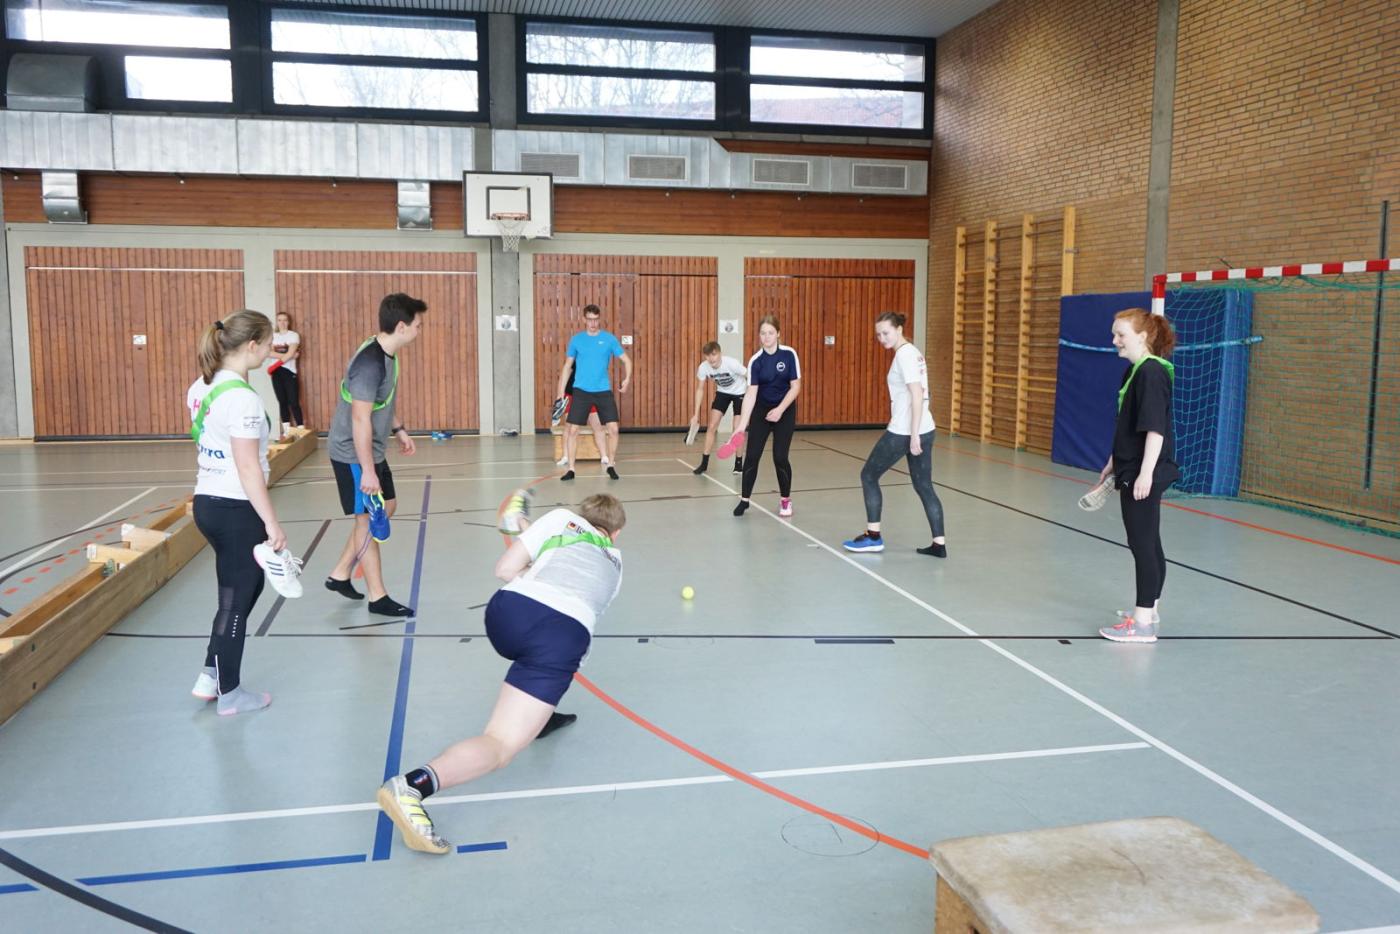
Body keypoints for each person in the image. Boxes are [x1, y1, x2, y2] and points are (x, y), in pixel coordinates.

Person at [377, 493, 626, 854]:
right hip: (560, 637)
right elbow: (582, 606)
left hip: (507, 615)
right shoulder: (616, 564)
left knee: (532, 650)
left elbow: (505, 570)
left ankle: (542, 718)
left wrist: (527, 538)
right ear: (616, 534)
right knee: (501, 744)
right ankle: (411, 787)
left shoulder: (560, 519)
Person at [186, 310, 286, 716]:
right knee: (237, 597)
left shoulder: (201, 386)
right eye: (269, 344)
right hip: (235, 507)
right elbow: (247, 467)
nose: (271, 351)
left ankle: (210, 674)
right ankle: (230, 693)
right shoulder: (243, 399)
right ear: (252, 345)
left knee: (240, 590)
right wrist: (271, 522)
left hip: (208, 502)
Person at [324, 293, 425, 617]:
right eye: (418, 325)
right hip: (352, 453)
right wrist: (367, 471)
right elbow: (359, 418)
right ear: (401, 327)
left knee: (387, 506)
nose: (420, 330)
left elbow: (383, 401)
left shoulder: (387, 354)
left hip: (372, 449)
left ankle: (341, 572)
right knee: (367, 519)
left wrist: (399, 429)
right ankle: (377, 596)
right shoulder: (370, 364)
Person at [1098, 308, 1178, 644]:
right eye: (1114, 334)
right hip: (1132, 465)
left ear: (1143, 337)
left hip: (1146, 470)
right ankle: (1151, 608)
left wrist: (1145, 474)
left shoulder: (1151, 373)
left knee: (1141, 543)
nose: (1114, 340)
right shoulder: (1135, 371)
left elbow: (1154, 429)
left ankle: (1142, 622)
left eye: (1121, 335)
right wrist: (1113, 461)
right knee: (1149, 541)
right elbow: (1128, 425)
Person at [842, 312, 947, 557]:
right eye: (878, 334)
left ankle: (873, 537)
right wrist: (919, 432)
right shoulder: (913, 353)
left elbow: (917, 394)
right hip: (926, 428)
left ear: (899, 329)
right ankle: (939, 544)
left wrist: (913, 435)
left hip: (905, 430)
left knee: (868, 475)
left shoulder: (904, 356)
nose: (882, 338)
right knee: (924, 486)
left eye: (886, 332)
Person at [730, 316, 800, 517]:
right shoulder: (756, 361)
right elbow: (751, 394)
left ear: (778, 333)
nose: (767, 337)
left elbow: (796, 387)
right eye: (763, 333)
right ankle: (744, 500)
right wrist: (741, 426)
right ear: (759, 336)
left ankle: (785, 500)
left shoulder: (789, 354)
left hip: (785, 410)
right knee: (752, 456)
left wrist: (780, 409)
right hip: (761, 411)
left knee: (780, 457)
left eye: (770, 332)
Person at [555, 304, 631, 481]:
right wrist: (560, 392)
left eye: (596, 320)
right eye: (589, 319)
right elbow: (567, 366)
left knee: (613, 429)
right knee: (573, 430)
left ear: (599, 319)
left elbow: (626, 360)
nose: (593, 323)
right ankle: (571, 469)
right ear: (584, 320)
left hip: (603, 390)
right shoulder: (577, 340)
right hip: (581, 391)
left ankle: (610, 464)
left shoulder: (609, 339)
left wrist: (627, 379)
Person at [689, 340, 746, 477]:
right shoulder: (704, 367)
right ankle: (704, 464)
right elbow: (700, 389)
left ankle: (738, 464)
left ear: (720, 353)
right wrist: (695, 414)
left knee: (737, 428)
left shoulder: (731, 363)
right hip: (723, 393)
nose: (711, 358)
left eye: (714, 355)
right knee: (712, 426)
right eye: (708, 356)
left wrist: (753, 394)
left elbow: (749, 376)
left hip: (740, 392)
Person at [553, 364, 606, 468]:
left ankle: (604, 456)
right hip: (572, 394)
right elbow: (565, 374)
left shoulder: (597, 358)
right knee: (569, 427)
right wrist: (560, 394)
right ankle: (565, 456)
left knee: (597, 425)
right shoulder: (575, 356)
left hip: (591, 393)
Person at [267, 311, 304, 440]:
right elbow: (268, 353)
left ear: (288, 322)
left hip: (289, 372)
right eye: (280, 320)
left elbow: (292, 351)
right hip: (276, 372)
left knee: (293, 401)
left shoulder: (293, 335)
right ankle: (287, 431)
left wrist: (285, 356)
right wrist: (289, 356)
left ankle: (301, 429)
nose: (282, 323)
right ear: (277, 322)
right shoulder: (272, 336)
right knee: (282, 401)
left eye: (285, 320)